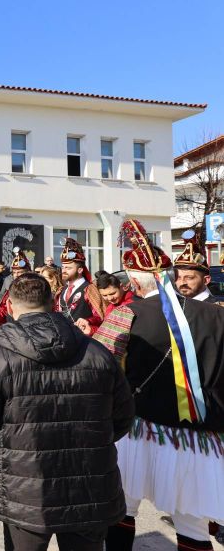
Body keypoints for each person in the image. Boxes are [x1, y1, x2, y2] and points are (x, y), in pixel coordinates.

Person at [0, 273, 134, 550]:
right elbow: (122, 418)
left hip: (26, 490)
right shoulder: (96, 351)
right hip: (85, 485)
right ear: (53, 305)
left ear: (9, 306)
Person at [94, 219, 224, 551]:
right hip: (199, 436)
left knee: (123, 506)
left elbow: (96, 366)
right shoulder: (217, 314)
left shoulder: (125, 315)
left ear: (134, 283)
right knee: (191, 523)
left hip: (141, 429)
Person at [56, 238, 103, 336]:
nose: (64, 271)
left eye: (68, 268)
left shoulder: (89, 289)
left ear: (80, 270)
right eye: (63, 267)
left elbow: (100, 316)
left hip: (84, 340)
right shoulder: (61, 290)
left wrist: (87, 321)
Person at [173, 229, 214, 301]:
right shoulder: (173, 305)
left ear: (206, 280)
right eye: (177, 277)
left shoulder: (217, 309)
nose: (182, 283)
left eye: (189, 277)